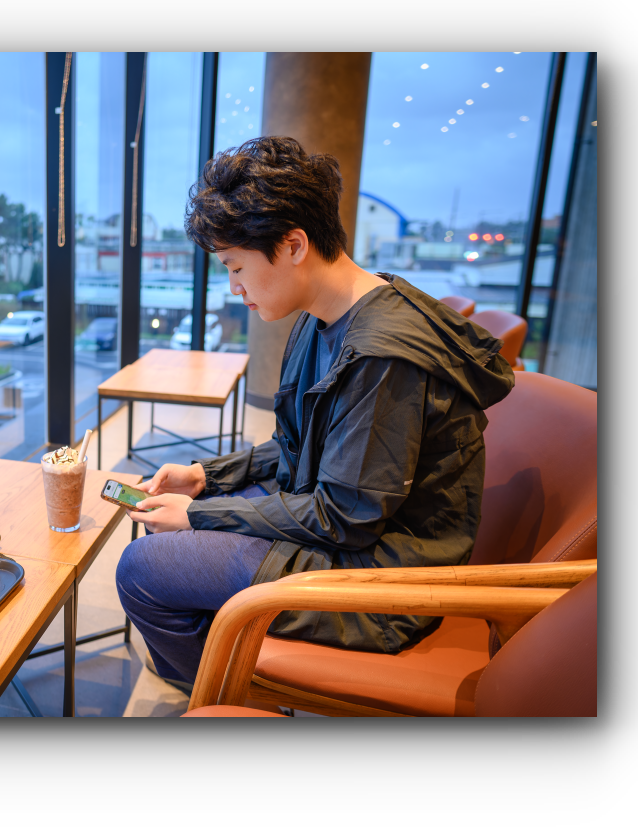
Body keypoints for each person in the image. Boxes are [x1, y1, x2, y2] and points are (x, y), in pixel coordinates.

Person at [115, 137, 515, 686]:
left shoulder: (381, 356)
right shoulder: (325, 313)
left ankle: (224, 693)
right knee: (182, 519)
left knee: (141, 569)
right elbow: (300, 443)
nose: (235, 288)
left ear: (294, 245)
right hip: (351, 532)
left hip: (379, 581)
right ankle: (228, 660)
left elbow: (342, 518)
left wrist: (200, 515)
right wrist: (207, 476)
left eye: (236, 266)